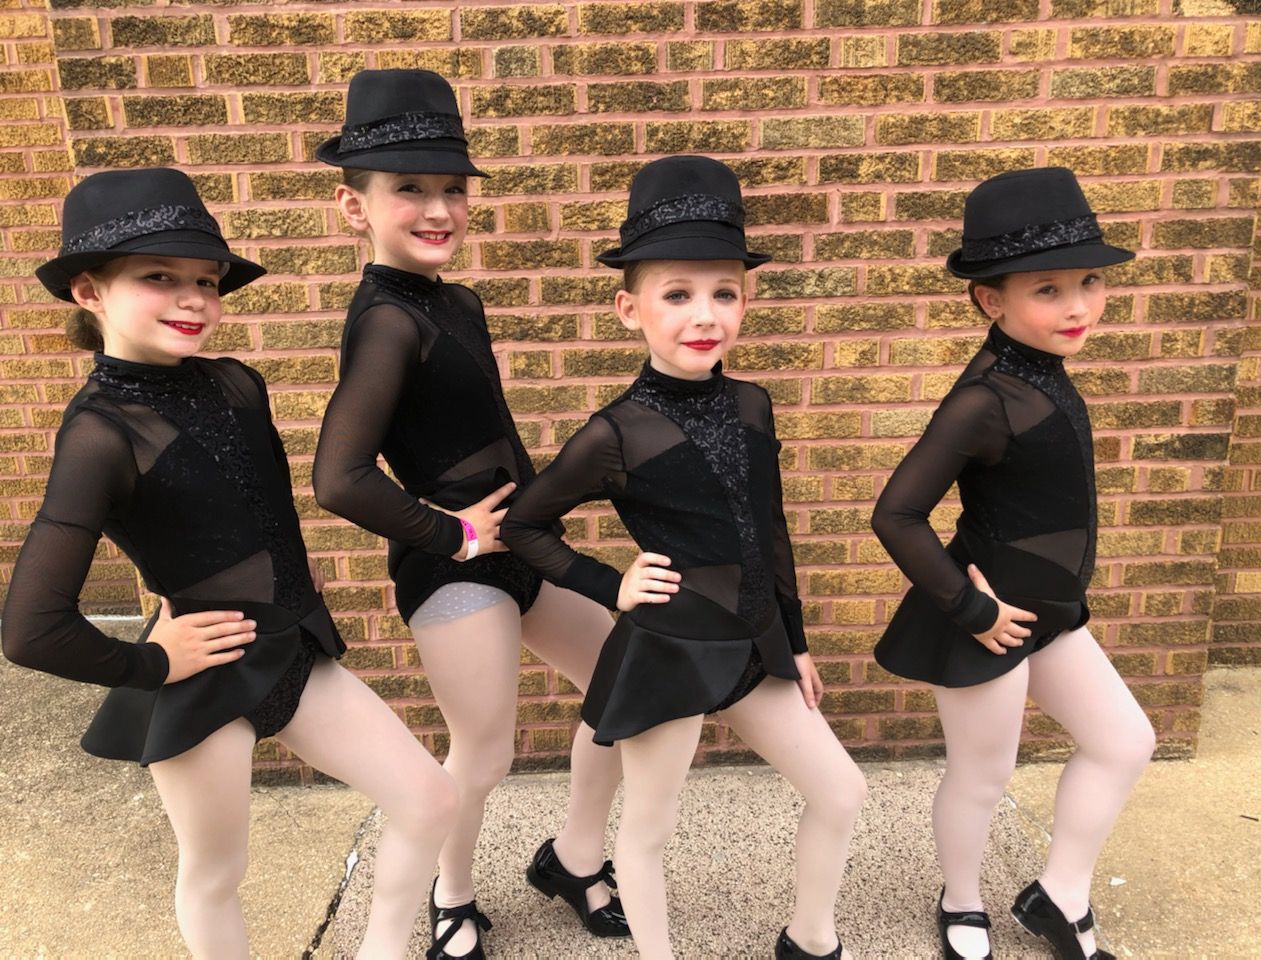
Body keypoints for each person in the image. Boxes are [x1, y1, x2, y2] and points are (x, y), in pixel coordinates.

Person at [2, 168, 459, 959]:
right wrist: (149, 661)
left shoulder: (238, 385)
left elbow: (258, 503)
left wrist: (293, 570)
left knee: (428, 799)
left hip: (290, 648)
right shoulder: (98, 435)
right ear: (89, 292)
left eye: (207, 282)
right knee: (218, 871)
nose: (194, 300)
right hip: (200, 676)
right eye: (160, 278)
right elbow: (30, 629)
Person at [502, 155, 866, 960]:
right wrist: (611, 585)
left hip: (755, 645)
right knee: (650, 829)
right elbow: (525, 524)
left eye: (723, 293)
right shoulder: (616, 432)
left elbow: (769, 530)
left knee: (842, 790)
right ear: (630, 309)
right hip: (672, 649)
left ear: (747, 297)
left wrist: (796, 640)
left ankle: (811, 940)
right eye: (677, 295)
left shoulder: (751, 404)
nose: (705, 314)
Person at [311, 69, 627, 959]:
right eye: (408, 188)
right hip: (451, 565)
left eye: (451, 186)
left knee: (625, 683)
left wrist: (539, 522)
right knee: (483, 754)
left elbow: (492, 433)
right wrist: (452, 533)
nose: (439, 207)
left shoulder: (457, 303)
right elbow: (338, 478)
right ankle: (452, 898)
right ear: (353, 206)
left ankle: (574, 857)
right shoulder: (385, 321)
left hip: (517, 547)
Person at [870, 167, 1156, 960]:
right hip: (988, 622)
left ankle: (1058, 897)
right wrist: (971, 610)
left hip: (1053, 615)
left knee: (1125, 740)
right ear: (990, 300)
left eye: (1089, 282)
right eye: (1048, 290)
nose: (1077, 307)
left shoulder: (1047, 373)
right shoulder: (984, 399)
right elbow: (895, 514)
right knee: (983, 775)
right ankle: (962, 900)